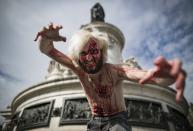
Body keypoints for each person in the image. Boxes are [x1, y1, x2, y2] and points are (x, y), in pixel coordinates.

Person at [34, 23, 186, 131]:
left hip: (118, 120)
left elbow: (149, 77)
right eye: (84, 53)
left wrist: (170, 75)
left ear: (102, 52)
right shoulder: (78, 68)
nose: (89, 58)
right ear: (78, 57)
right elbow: (47, 49)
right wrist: (45, 38)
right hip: (94, 121)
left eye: (94, 51)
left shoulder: (116, 71)